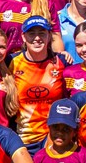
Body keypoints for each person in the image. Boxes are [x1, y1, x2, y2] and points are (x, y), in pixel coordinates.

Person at [10, 15, 68, 152]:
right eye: (31, 33)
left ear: (49, 36)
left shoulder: (62, 61)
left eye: (42, 33)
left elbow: (84, 70)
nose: (37, 38)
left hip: (54, 138)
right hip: (23, 139)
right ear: (23, 37)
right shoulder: (11, 62)